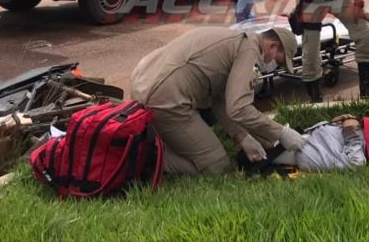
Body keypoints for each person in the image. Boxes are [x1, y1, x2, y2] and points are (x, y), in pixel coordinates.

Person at [130, 26, 304, 176]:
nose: (274, 66)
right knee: (217, 166)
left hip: (143, 82)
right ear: (272, 46)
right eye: (278, 62)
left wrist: (242, 137)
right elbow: (239, 108)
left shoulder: (238, 40)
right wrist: (281, 133)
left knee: (204, 135)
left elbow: (220, 99)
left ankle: (156, 141)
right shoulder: (251, 53)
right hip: (165, 97)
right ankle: (146, 157)